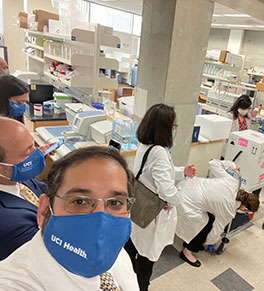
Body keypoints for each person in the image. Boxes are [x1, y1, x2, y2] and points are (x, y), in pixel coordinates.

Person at [0, 146, 140, 291]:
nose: (100, 219)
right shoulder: (11, 284)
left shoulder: (114, 254)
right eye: (80, 201)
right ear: (44, 210)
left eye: (114, 203)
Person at [124, 103, 196, 291]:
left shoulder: (147, 146)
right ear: (164, 128)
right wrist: (173, 202)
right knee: (146, 257)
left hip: (139, 207)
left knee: (132, 246)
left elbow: (153, 175)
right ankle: (140, 287)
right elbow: (165, 189)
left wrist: (182, 172)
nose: (174, 130)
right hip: (151, 215)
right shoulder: (160, 153)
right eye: (173, 126)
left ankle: (126, 280)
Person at [176, 159, 259, 267]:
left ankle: (192, 241)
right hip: (185, 201)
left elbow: (212, 163)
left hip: (187, 184)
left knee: (210, 218)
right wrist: (208, 242)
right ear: (244, 209)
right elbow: (216, 230)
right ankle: (187, 251)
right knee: (206, 225)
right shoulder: (229, 210)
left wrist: (232, 165)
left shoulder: (232, 181)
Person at [0, 117, 47, 260]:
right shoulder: (11, 225)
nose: (37, 153)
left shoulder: (13, 177)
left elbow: (46, 190)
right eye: (27, 153)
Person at [221, 94, 257, 159]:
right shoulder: (229, 117)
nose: (245, 110)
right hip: (228, 148)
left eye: (247, 108)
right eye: (243, 108)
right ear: (238, 106)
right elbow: (224, 137)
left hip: (242, 149)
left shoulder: (248, 117)